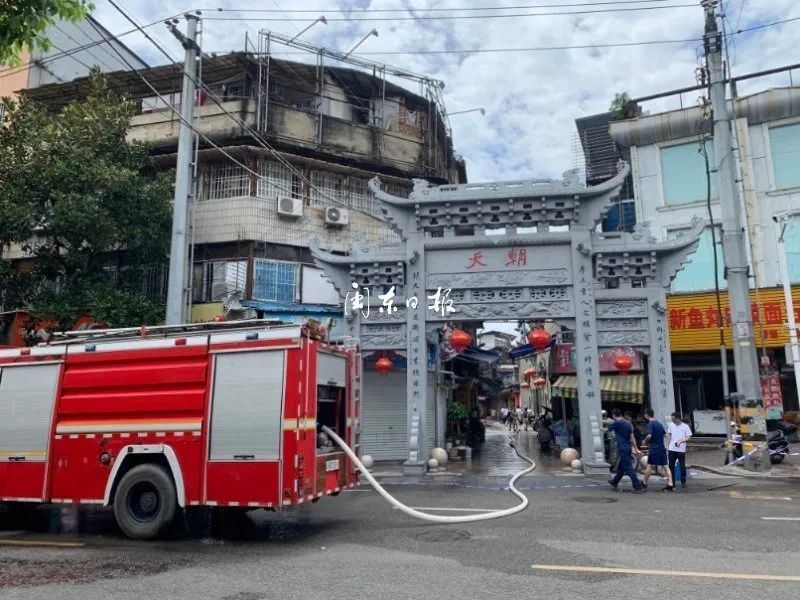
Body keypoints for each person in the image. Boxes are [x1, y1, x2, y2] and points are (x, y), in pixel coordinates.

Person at [605, 408, 644, 493]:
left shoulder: (617, 423)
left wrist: (601, 427)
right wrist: (636, 448)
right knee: (621, 468)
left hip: (622, 448)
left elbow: (606, 430)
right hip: (628, 447)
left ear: (614, 415)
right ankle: (614, 482)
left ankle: (638, 487)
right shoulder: (627, 423)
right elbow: (632, 437)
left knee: (628, 468)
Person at [641, 408, 673, 491]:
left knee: (649, 465)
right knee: (665, 466)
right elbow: (665, 435)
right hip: (662, 448)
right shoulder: (659, 424)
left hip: (654, 448)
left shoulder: (651, 424)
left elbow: (649, 436)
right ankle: (670, 484)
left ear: (646, 415)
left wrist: (644, 441)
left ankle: (644, 483)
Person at [667, 412, 693, 489]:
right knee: (671, 466)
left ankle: (683, 482)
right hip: (672, 448)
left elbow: (689, 437)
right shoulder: (671, 425)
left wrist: (682, 441)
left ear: (678, 418)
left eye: (673, 419)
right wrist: (668, 446)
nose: (672, 420)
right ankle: (672, 482)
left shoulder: (685, 426)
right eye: (672, 419)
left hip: (681, 449)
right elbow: (670, 436)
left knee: (682, 466)